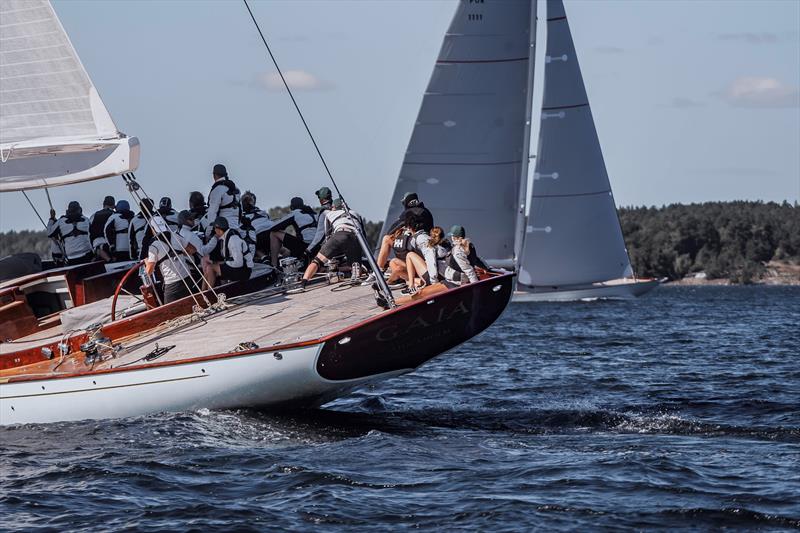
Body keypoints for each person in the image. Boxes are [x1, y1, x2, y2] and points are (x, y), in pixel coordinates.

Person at [289, 198, 363, 293]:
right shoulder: (355, 213)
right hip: (354, 237)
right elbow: (362, 233)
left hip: (338, 236)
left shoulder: (330, 214)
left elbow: (327, 234)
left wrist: (329, 252)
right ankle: (356, 271)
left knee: (317, 261)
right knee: (355, 264)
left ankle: (303, 283)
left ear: (334, 207)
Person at [376, 192, 434, 271]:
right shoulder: (427, 211)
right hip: (424, 249)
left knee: (386, 239)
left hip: (414, 247)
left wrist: (396, 233)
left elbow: (391, 230)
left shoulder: (408, 213)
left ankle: (377, 272)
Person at [144, 230, 196, 304]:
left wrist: (147, 261)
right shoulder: (176, 236)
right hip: (187, 278)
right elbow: (193, 250)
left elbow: (149, 271)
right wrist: (180, 254)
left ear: (152, 230)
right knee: (191, 303)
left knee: (169, 311)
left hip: (172, 283)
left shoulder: (154, 246)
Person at [202, 217, 253, 288]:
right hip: (238, 268)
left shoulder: (233, 239)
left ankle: (209, 293)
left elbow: (239, 263)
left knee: (210, 268)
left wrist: (223, 264)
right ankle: (203, 293)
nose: (214, 231)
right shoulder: (226, 237)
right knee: (209, 267)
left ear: (218, 230)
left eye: (215, 229)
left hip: (244, 271)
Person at [269, 197, 318, 268]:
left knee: (274, 233)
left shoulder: (295, 213)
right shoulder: (315, 214)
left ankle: (274, 266)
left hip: (305, 246)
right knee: (288, 251)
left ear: (292, 207)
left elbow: (274, 227)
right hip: (317, 246)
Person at [402, 214, 440, 293]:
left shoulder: (420, 238)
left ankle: (411, 287)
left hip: (434, 277)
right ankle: (412, 284)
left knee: (409, 255)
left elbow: (431, 255)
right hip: (436, 272)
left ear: (409, 227)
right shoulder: (423, 235)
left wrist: (434, 282)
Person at [201, 163, 241, 236]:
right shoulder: (236, 189)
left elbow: (212, 213)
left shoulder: (217, 190)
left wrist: (208, 233)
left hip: (223, 230)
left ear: (214, 175)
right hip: (236, 229)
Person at [240, 191, 272, 260]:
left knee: (250, 241)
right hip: (271, 233)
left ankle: (263, 257)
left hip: (259, 235)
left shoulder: (243, 216)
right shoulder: (263, 212)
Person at [306, 186, 333, 257]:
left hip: (329, 247)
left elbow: (320, 235)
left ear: (321, 199)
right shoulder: (335, 209)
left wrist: (309, 249)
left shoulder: (324, 213)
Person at [88, 195, 115, 261]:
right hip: (111, 244)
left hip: (98, 244)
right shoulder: (114, 214)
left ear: (103, 204)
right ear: (114, 205)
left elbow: (89, 232)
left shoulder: (94, 215)